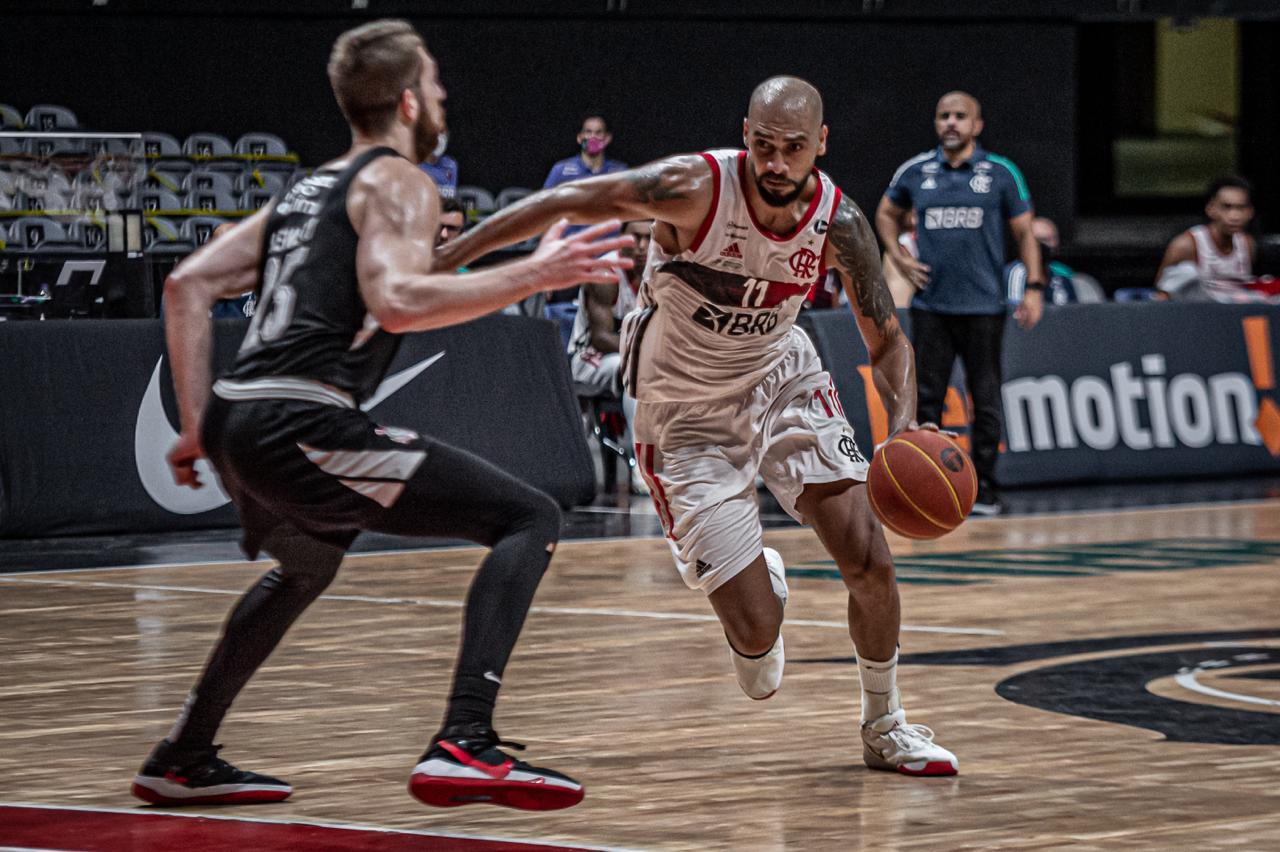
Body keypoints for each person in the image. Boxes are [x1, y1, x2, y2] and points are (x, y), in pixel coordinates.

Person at [131, 19, 632, 812]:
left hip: (239, 419)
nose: (441, 98)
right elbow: (397, 302)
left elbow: (186, 285)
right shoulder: (400, 180)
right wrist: (535, 277)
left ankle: (183, 757)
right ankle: (466, 741)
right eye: (434, 85)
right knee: (527, 516)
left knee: (309, 563)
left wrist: (196, 425)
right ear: (407, 100)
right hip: (303, 419)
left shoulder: (308, 190)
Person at [439, 76, 959, 776]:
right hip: (682, 409)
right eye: (764, 146)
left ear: (821, 145)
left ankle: (885, 723)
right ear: (746, 136)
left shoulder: (841, 223)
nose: (776, 163)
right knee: (757, 657)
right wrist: (439, 265)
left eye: (794, 149)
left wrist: (900, 430)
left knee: (869, 558)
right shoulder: (693, 186)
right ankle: (757, 590)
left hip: (781, 375)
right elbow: (562, 200)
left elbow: (888, 341)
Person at [875, 90, 1044, 517]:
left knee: (985, 398)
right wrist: (898, 256)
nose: (951, 122)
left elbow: (1025, 234)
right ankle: (922, 487)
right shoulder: (916, 171)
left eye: (959, 116)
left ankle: (985, 488)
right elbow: (884, 214)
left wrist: (1034, 287)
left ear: (977, 125)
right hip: (933, 305)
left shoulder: (1001, 172)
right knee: (927, 398)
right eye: (943, 116)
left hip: (985, 305)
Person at [568, 219, 649, 493]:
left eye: (649, 238)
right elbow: (601, 339)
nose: (641, 246)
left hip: (634, 356)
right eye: (634, 238)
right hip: (588, 357)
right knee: (638, 369)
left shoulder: (662, 271)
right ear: (620, 239)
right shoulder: (605, 271)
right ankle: (641, 465)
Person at [1156, 176, 1279, 303]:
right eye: (1227, 207)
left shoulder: (1248, 244)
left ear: (1250, 212)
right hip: (1199, 312)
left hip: (1235, 312)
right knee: (1186, 272)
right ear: (1211, 209)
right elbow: (1162, 293)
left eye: (1240, 208)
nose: (1234, 216)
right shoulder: (1186, 244)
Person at [542, 115, 627, 193]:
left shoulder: (620, 172)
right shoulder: (560, 170)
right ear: (579, 138)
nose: (593, 137)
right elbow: (543, 204)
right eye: (588, 132)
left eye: (598, 132)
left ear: (607, 139)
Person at [1005, 217, 1079, 306]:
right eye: (1042, 239)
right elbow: (1015, 314)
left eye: (1053, 239)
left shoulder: (1060, 274)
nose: (1050, 245)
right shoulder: (1016, 273)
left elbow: (1074, 313)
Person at [418, 131, 458, 199]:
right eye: (435, 134)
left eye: (442, 133)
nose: (439, 139)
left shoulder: (451, 165)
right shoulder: (416, 166)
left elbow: (451, 198)